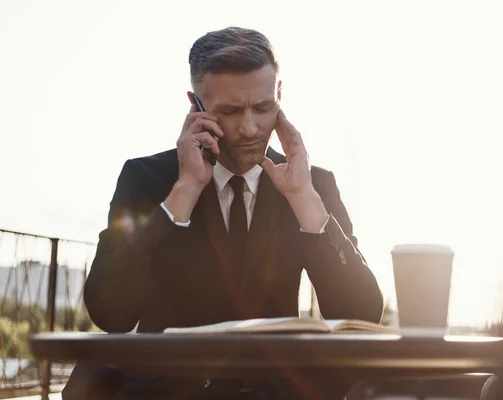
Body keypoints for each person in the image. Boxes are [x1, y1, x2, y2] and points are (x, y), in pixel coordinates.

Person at [64, 26, 384, 399]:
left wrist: (305, 203)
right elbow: (110, 313)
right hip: (168, 392)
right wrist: (182, 195)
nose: (250, 128)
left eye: (263, 108)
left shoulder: (313, 185)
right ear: (195, 105)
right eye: (231, 111)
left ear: (279, 95)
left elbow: (362, 317)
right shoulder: (146, 178)